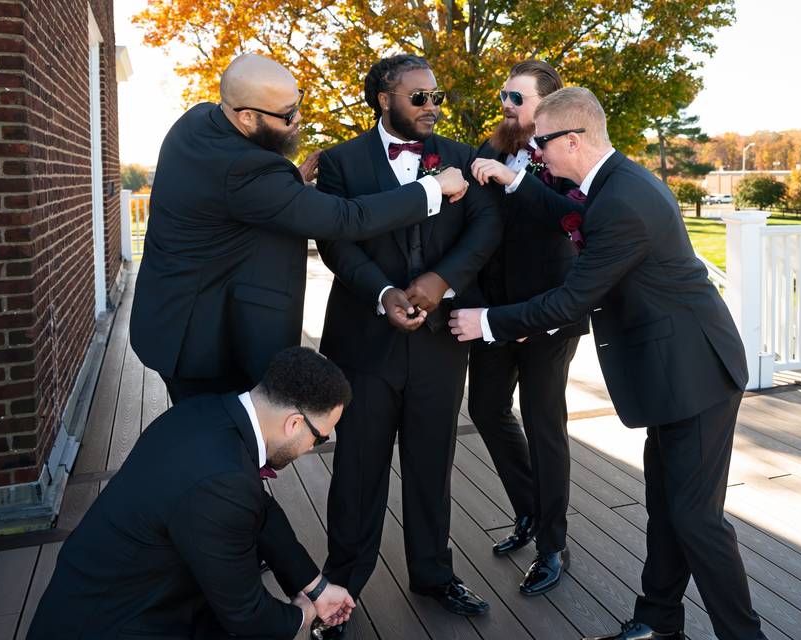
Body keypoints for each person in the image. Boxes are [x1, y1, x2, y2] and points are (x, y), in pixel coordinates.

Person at [452, 88, 767, 640]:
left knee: (695, 519)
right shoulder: (611, 185)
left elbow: (573, 298)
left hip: (695, 373)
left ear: (572, 140)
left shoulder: (622, 200)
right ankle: (658, 623)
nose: (536, 151)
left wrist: (489, 322)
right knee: (667, 509)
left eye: (542, 142)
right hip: (668, 375)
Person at [130, 53, 471, 404]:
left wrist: (290, 183)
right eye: (288, 114)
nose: (299, 119)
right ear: (247, 116)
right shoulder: (244, 171)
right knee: (221, 443)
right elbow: (345, 218)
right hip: (202, 341)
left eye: (299, 102)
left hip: (171, 315)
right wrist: (432, 188)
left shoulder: (199, 119)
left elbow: (239, 194)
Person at [313, 54, 502, 638]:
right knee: (358, 467)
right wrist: (385, 292)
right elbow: (337, 242)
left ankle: (433, 572)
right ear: (384, 100)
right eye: (418, 98)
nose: (432, 107)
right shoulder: (342, 163)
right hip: (365, 340)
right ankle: (342, 584)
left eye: (437, 97)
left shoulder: (464, 158)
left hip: (441, 342)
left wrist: (437, 284)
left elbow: (485, 229)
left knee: (431, 462)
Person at [27, 347, 356, 639]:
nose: (314, 447)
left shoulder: (207, 413)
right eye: (320, 438)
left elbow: (262, 510)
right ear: (294, 424)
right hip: (116, 623)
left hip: (114, 597)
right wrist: (304, 613)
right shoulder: (222, 482)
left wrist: (317, 587)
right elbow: (247, 616)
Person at [466, 60, 588, 595]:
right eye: (504, 97)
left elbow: (572, 218)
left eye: (517, 98)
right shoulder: (492, 150)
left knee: (544, 425)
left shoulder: (567, 157)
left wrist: (517, 181)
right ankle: (529, 511)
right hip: (493, 311)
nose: (507, 107)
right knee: (486, 409)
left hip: (548, 314)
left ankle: (553, 544)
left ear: (549, 106)